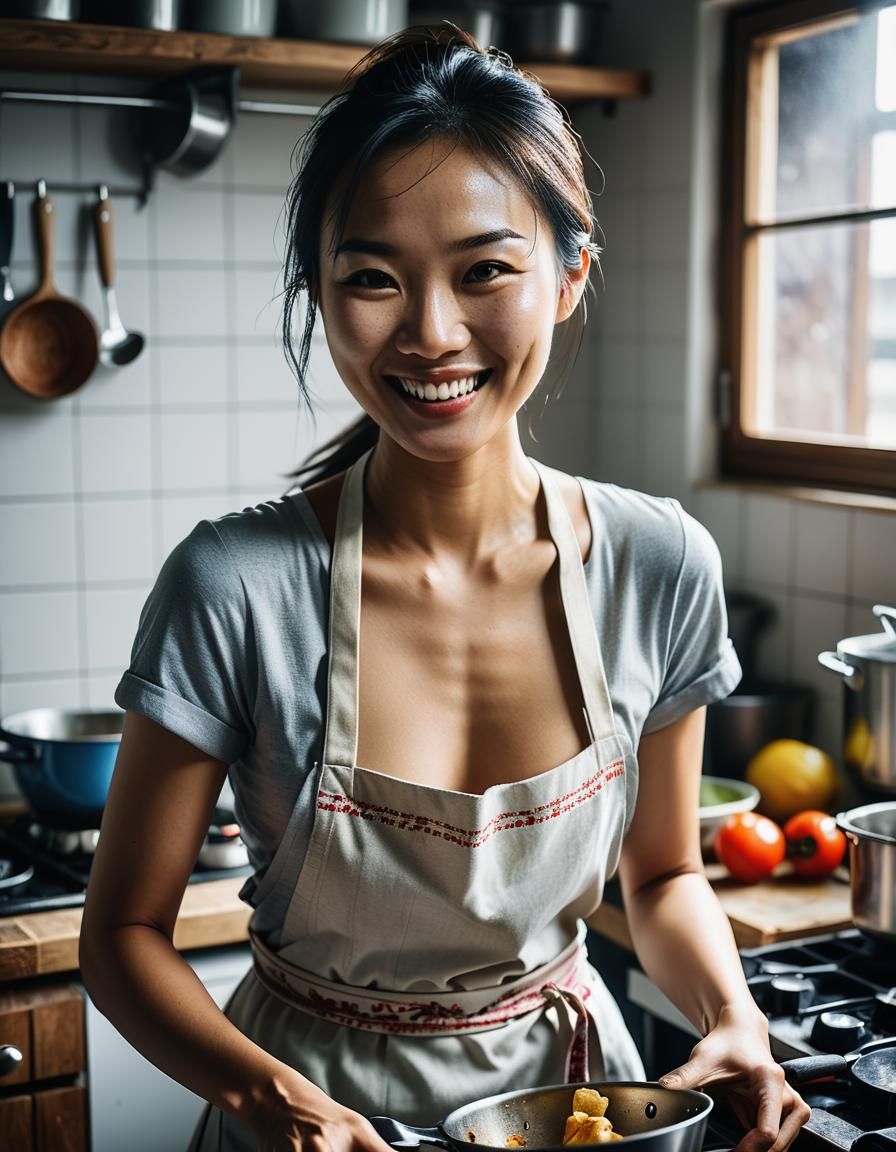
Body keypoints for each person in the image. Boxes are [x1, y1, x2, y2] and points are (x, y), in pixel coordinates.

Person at [79, 25, 810, 1152]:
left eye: (484, 271)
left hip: (571, 1108)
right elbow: (123, 932)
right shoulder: (232, 586)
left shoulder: (656, 563)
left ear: (568, 275)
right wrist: (270, 1098)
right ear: (319, 296)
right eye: (371, 278)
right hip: (307, 1110)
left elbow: (660, 874)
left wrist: (734, 1019)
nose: (428, 333)